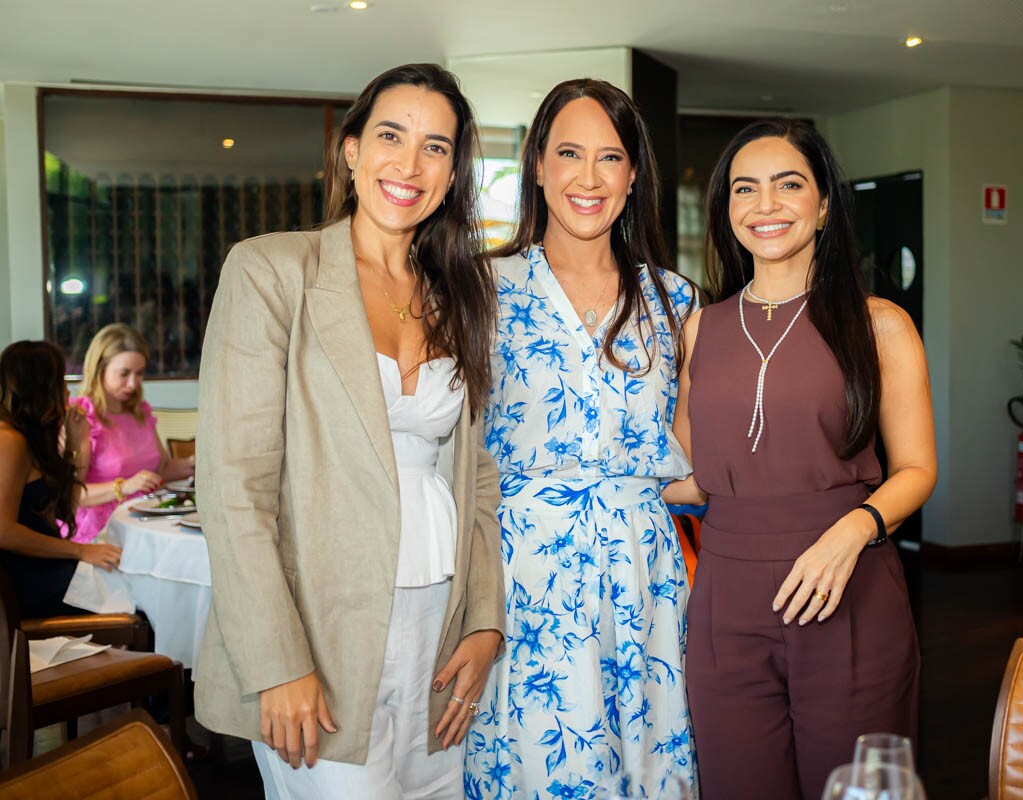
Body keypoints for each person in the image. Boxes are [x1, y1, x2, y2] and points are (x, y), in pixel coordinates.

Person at [194, 63, 503, 799]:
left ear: (453, 170)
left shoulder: (460, 296)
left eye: (436, 146)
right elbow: (235, 486)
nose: (410, 163)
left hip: (441, 630)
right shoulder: (273, 271)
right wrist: (277, 661)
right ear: (352, 151)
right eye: (392, 136)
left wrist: (484, 622)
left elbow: (478, 476)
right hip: (319, 634)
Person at [673, 121, 937, 798]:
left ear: (823, 205)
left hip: (847, 591)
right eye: (745, 188)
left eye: (789, 185)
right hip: (726, 600)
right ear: (727, 211)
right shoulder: (702, 326)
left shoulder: (880, 323)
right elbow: (690, 471)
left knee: (851, 786)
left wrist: (853, 530)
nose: (766, 204)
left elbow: (917, 469)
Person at [464, 78, 697, 799]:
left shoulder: (675, 299)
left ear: (633, 177)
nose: (588, 178)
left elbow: (694, 462)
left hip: (645, 575)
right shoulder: (481, 287)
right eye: (569, 153)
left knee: (648, 763)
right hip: (525, 578)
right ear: (537, 165)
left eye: (610, 157)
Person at [0, 341, 122, 618]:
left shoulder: (27, 435)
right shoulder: (8, 440)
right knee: (136, 602)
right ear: (41, 386)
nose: (67, 390)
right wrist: (79, 551)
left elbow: (63, 506)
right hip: (27, 583)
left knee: (128, 579)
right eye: (61, 381)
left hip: (45, 570)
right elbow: (3, 532)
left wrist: (76, 443)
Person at [70, 323, 195, 543]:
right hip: (99, 533)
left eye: (139, 373)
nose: (133, 383)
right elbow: (72, 494)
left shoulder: (140, 413)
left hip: (142, 522)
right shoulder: (82, 417)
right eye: (124, 374)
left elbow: (162, 469)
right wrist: (124, 486)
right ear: (99, 369)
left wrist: (195, 464)